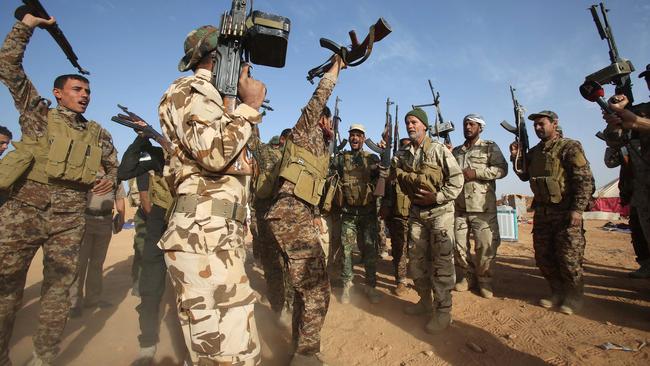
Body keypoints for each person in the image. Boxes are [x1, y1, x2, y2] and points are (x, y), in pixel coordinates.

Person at [0, 14, 117, 365]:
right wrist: (28, 26)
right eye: (78, 90)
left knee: (59, 290)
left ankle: (43, 356)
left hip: (69, 217)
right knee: (6, 287)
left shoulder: (97, 132)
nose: (84, 96)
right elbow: (8, 65)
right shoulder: (37, 114)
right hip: (24, 210)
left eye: (88, 92)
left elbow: (112, 164)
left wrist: (110, 178)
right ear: (58, 93)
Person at [158, 25, 266, 365]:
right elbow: (214, 154)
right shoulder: (192, 89)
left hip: (214, 233)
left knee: (236, 346)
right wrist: (249, 106)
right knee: (221, 351)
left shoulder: (214, 99)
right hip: (202, 234)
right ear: (221, 57)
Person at [266, 55, 345, 365]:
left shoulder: (321, 149)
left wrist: (313, 215)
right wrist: (334, 71)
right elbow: (318, 98)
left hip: (296, 215)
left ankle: (301, 349)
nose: (332, 127)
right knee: (316, 292)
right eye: (330, 121)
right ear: (322, 119)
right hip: (290, 213)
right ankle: (306, 356)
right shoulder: (306, 129)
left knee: (306, 290)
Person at [510, 110, 593, 315]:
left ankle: (574, 296)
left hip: (565, 212)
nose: (538, 128)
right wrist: (516, 157)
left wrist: (577, 210)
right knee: (544, 256)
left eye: (542, 124)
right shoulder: (536, 152)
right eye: (535, 125)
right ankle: (556, 292)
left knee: (568, 257)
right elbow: (524, 175)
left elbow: (584, 180)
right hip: (543, 212)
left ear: (554, 124)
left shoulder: (569, 147)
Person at [392, 108, 463, 334]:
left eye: (414, 122)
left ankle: (443, 311)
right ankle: (424, 302)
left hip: (440, 212)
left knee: (442, 263)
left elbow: (457, 180)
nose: (410, 126)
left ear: (424, 125)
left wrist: (438, 196)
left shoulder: (439, 150)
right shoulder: (403, 154)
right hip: (417, 214)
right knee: (416, 261)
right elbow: (392, 169)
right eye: (407, 123)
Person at [118, 134, 175, 365]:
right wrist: (142, 138)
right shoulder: (157, 155)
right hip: (159, 228)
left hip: (193, 232)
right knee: (151, 290)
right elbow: (124, 172)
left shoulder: (204, 153)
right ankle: (148, 343)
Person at [451, 114, 508, 298]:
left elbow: (502, 169)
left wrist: (477, 173)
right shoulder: (457, 151)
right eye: (465, 124)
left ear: (480, 128)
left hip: (482, 208)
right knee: (458, 246)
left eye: (472, 124)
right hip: (459, 207)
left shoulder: (489, 147)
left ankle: (484, 281)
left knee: (485, 247)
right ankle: (467, 276)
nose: (468, 127)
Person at [602, 63, 650, 276]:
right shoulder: (643, 109)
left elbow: (636, 123)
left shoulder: (641, 115)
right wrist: (614, 119)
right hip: (641, 186)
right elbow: (614, 145)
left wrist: (637, 121)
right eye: (648, 79)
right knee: (641, 231)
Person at [249, 127, 294, 327]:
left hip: (269, 217)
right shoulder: (293, 158)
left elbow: (251, 140)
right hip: (282, 217)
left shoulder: (266, 152)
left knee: (273, 264)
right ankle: (286, 306)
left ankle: (280, 307)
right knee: (285, 264)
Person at [332, 123, 381, 304]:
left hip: (368, 212)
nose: (354, 138)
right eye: (352, 135)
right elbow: (329, 172)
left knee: (369, 249)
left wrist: (383, 161)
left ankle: (371, 286)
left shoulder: (372, 158)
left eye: (358, 135)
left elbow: (384, 178)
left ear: (363, 138)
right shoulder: (340, 158)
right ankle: (347, 286)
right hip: (348, 213)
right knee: (346, 250)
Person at [69, 173, 126, 317]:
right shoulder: (84, 172)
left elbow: (119, 199)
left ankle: (92, 300)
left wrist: (121, 217)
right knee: (80, 263)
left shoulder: (115, 177)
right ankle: (74, 302)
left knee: (97, 262)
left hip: (105, 221)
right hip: (85, 220)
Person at [380, 138, 412, 296]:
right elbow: (385, 184)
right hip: (397, 212)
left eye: (408, 144)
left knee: (419, 249)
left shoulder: (420, 158)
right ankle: (401, 280)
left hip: (417, 212)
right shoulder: (394, 162)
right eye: (403, 145)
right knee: (399, 248)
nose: (406, 147)